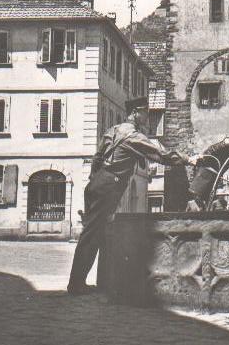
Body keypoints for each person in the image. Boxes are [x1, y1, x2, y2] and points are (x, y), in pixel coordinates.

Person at [67, 96, 194, 294]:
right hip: (109, 186)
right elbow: (161, 154)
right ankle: (76, 285)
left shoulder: (113, 130)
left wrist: (96, 179)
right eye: (145, 112)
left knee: (100, 234)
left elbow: (97, 158)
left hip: (97, 184)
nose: (147, 116)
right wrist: (189, 159)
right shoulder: (133, 136)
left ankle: (100, 283)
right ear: (136, 113)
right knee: (93, 235)